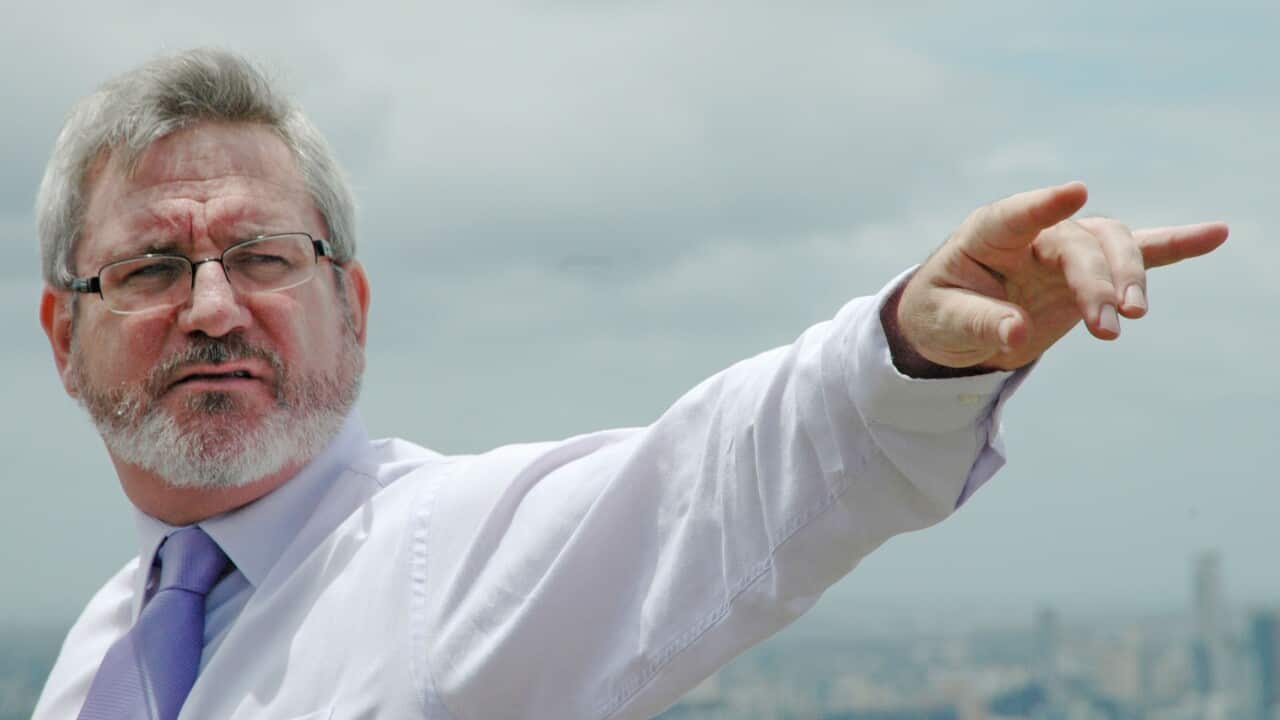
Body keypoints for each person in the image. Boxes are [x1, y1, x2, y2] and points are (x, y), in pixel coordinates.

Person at [31, 48, 1227, 720]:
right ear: (60, 336)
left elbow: (709, 488)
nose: (213, 307)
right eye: (148, 267)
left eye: (262, 257)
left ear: (350, 307)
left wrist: (905, 351)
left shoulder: (432, 556)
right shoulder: (95, 658)